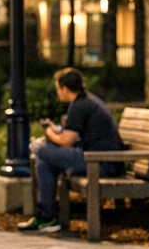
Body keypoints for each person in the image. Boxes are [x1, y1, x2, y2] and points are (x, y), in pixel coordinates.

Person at [19, 68, 125, 234]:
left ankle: (47, 217)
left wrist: (49, 132)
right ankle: (46, 217)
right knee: (45, 162)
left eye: (58, 89)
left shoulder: (80, 105)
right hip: (96, 159)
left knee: (42, 150)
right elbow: (71, 135)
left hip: (100, 163)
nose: (58, 93)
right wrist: (57, 130)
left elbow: (66, 143)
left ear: (65, 89)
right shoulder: (86, 100)